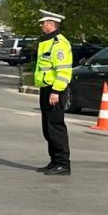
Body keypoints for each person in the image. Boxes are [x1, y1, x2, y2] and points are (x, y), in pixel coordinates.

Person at [34, 10, 73, 177]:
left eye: (43, 23)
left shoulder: (59, 44)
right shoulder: (47, 42)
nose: (41, 25)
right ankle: (54, 161)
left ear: (51, 24)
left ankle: (63, 164)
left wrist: (56, 91)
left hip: (55, 90)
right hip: (46, 88)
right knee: (48, 128)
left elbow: (63, 71)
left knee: (56, 127)